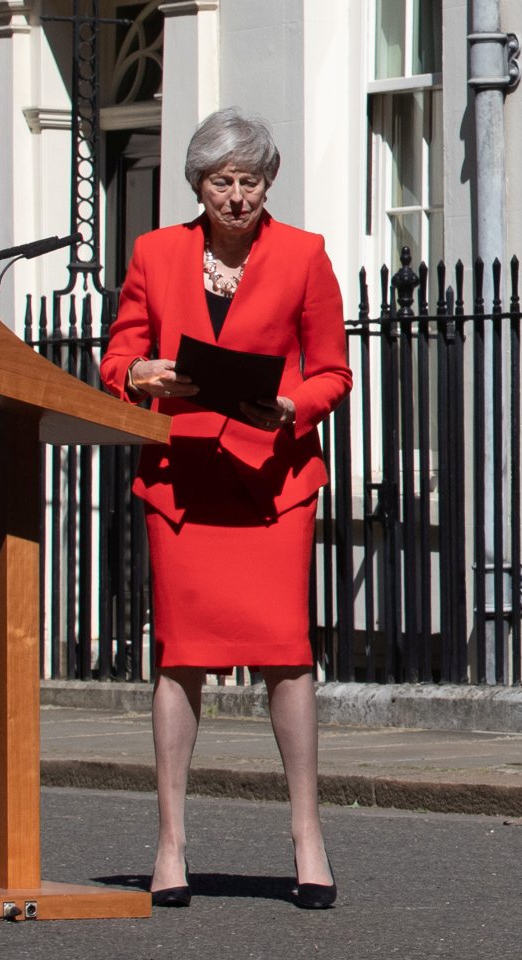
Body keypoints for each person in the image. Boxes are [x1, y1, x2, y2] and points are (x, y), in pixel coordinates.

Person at [100, 106, 352, 910]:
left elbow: (333, 371)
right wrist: (142, 377)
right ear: (198, 185)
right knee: (179, 657)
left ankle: (307, 834)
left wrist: (292, 408)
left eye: (249, 181)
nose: (237, 196)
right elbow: (117, 356)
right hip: (184, 481)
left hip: (272, 481)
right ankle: (171, 840)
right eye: (221, 182)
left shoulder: (305, 255)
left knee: (286, 652)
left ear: (267, 182)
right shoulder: (154, 252)